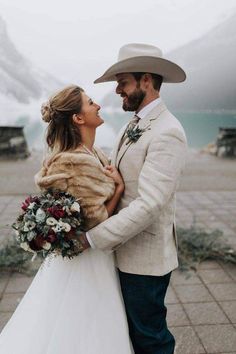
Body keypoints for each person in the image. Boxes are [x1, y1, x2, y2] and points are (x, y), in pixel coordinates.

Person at [0, 85, 133, 354]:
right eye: (90, 102)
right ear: (78, 118)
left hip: (93, 253)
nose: (97, 105)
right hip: (88, 257)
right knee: (85, 327)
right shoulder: (75, 162)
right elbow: (96, 219)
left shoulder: (92, 153)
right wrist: (118, 189)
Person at [77, 43, 188, 353]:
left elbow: (150, 204)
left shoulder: (168, 131)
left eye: (123, 82)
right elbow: (119, 177)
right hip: (121, 249)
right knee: (128, 333)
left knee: (150, 338)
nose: (117, 91)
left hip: (144, 258)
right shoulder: (132, 125)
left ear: (147, 80)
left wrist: (91, 238)